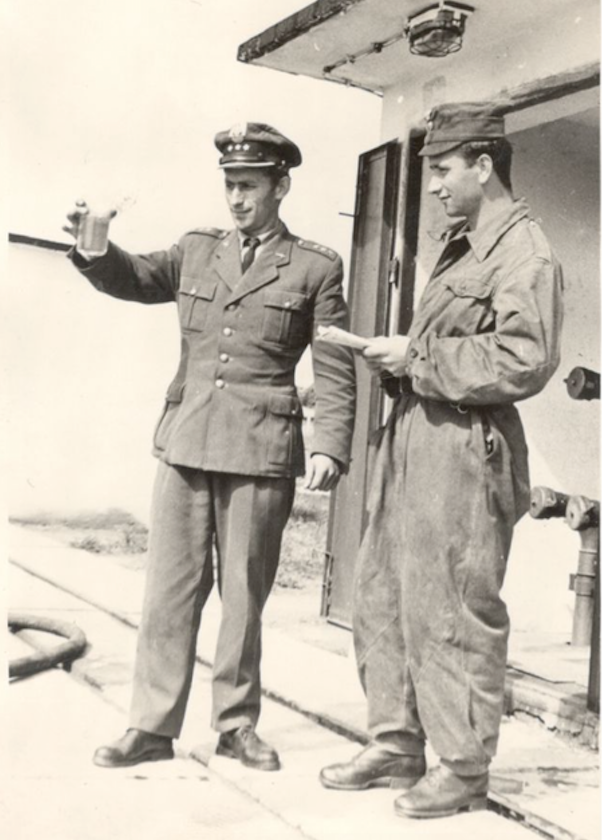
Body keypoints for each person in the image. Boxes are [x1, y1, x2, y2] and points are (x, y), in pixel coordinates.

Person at [64, 122, 356, 772]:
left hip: (260, 449)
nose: (237, 199)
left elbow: (335, 363)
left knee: (244, 598)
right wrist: (94, 241)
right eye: (230, 185)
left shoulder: (315, 265)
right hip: (187, 442)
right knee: (168, 591)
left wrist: (331, 444)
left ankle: (235, 723)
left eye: (249, 186)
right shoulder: (198, 249)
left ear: (281, 186)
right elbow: (136, 277)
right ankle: (151, 724)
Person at [319, 103, 563, 818]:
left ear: (484, 166)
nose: (433, 186)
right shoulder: (464, 246)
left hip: (465, 447)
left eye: (443, 170)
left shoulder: (525, 251)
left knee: (453, 605)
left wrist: (416, 357)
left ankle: (461, 767)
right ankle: (396, 739)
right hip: (417, 432)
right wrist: (391, 357)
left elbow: (526, 360)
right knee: (384, 588)